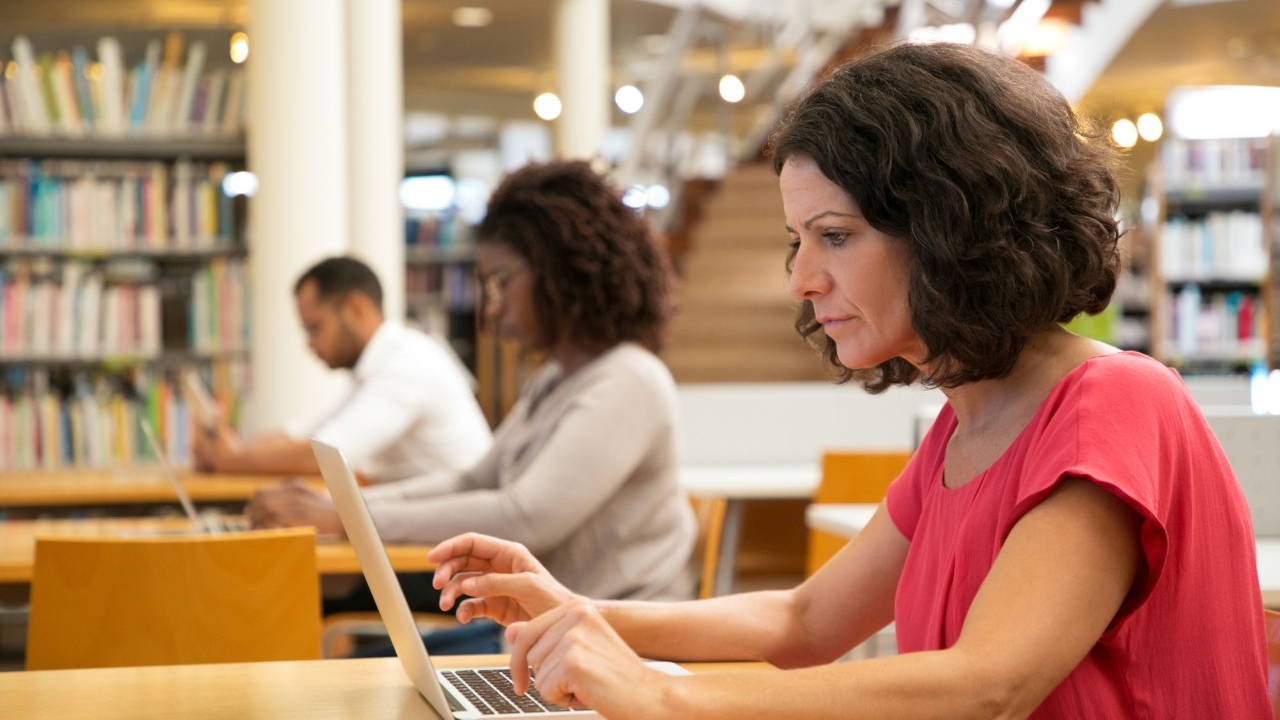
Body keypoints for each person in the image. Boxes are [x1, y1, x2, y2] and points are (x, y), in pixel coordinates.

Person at [425, 42, 1271, 718]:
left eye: (833, 236)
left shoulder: (1115, 401)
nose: (800, 280)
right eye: (799, 242)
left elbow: (987, 688)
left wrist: (665, 695)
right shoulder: (966, 425)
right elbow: (803, 623)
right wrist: (577, 611)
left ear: (951, 229)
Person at [247, 160, 697, 610]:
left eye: (502, 283)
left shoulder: (629, 380)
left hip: (625, 648)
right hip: (555, 636)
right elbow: (474, 479)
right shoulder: (557, 380)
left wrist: (345, 515)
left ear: (560, 271)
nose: (494, 309)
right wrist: (342, 504)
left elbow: (524, 517)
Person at [192, 255, 493, 483]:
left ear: (356, 309)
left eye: (315, 328)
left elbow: (329, 455)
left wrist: (233, 458)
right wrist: (235, 449)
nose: (309, 345)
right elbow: (304, 432)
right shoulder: (379, 364)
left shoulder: (407, 364)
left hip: (463, 545)